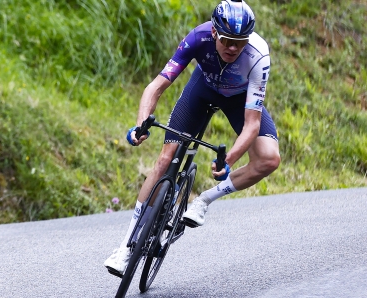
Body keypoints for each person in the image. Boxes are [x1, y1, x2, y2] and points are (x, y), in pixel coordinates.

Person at [104, 0, 280, 276]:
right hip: (203, 89)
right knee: (164, 160)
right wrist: (140, 125)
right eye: (227, 40)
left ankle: (203, 201)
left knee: (269, 158)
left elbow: (251, 124)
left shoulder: (258, 55)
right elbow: (157, 85)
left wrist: (228, 159)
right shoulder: (198, 37)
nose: (233, 48)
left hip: (239, 98)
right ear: (214, 33)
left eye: (240, 42)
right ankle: (126, 248)